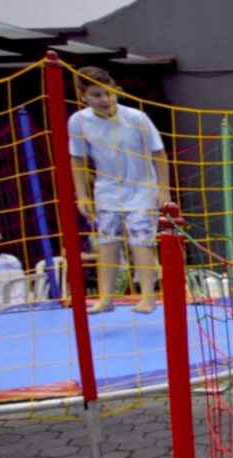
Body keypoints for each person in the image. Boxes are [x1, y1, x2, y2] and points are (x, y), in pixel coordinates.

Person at [69, 66, 169, 314]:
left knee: (140, 240)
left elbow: (159, 153)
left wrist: (163, 190)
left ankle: (147, 296)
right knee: (107, 243)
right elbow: (78, 160)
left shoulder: (136, 118)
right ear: (83, 96)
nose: (105, 100)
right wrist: (82, 196)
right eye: (96, 95)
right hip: (107, 191)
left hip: (141, 190)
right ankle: (105, 298)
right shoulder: (79, 121)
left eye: (108, 93)